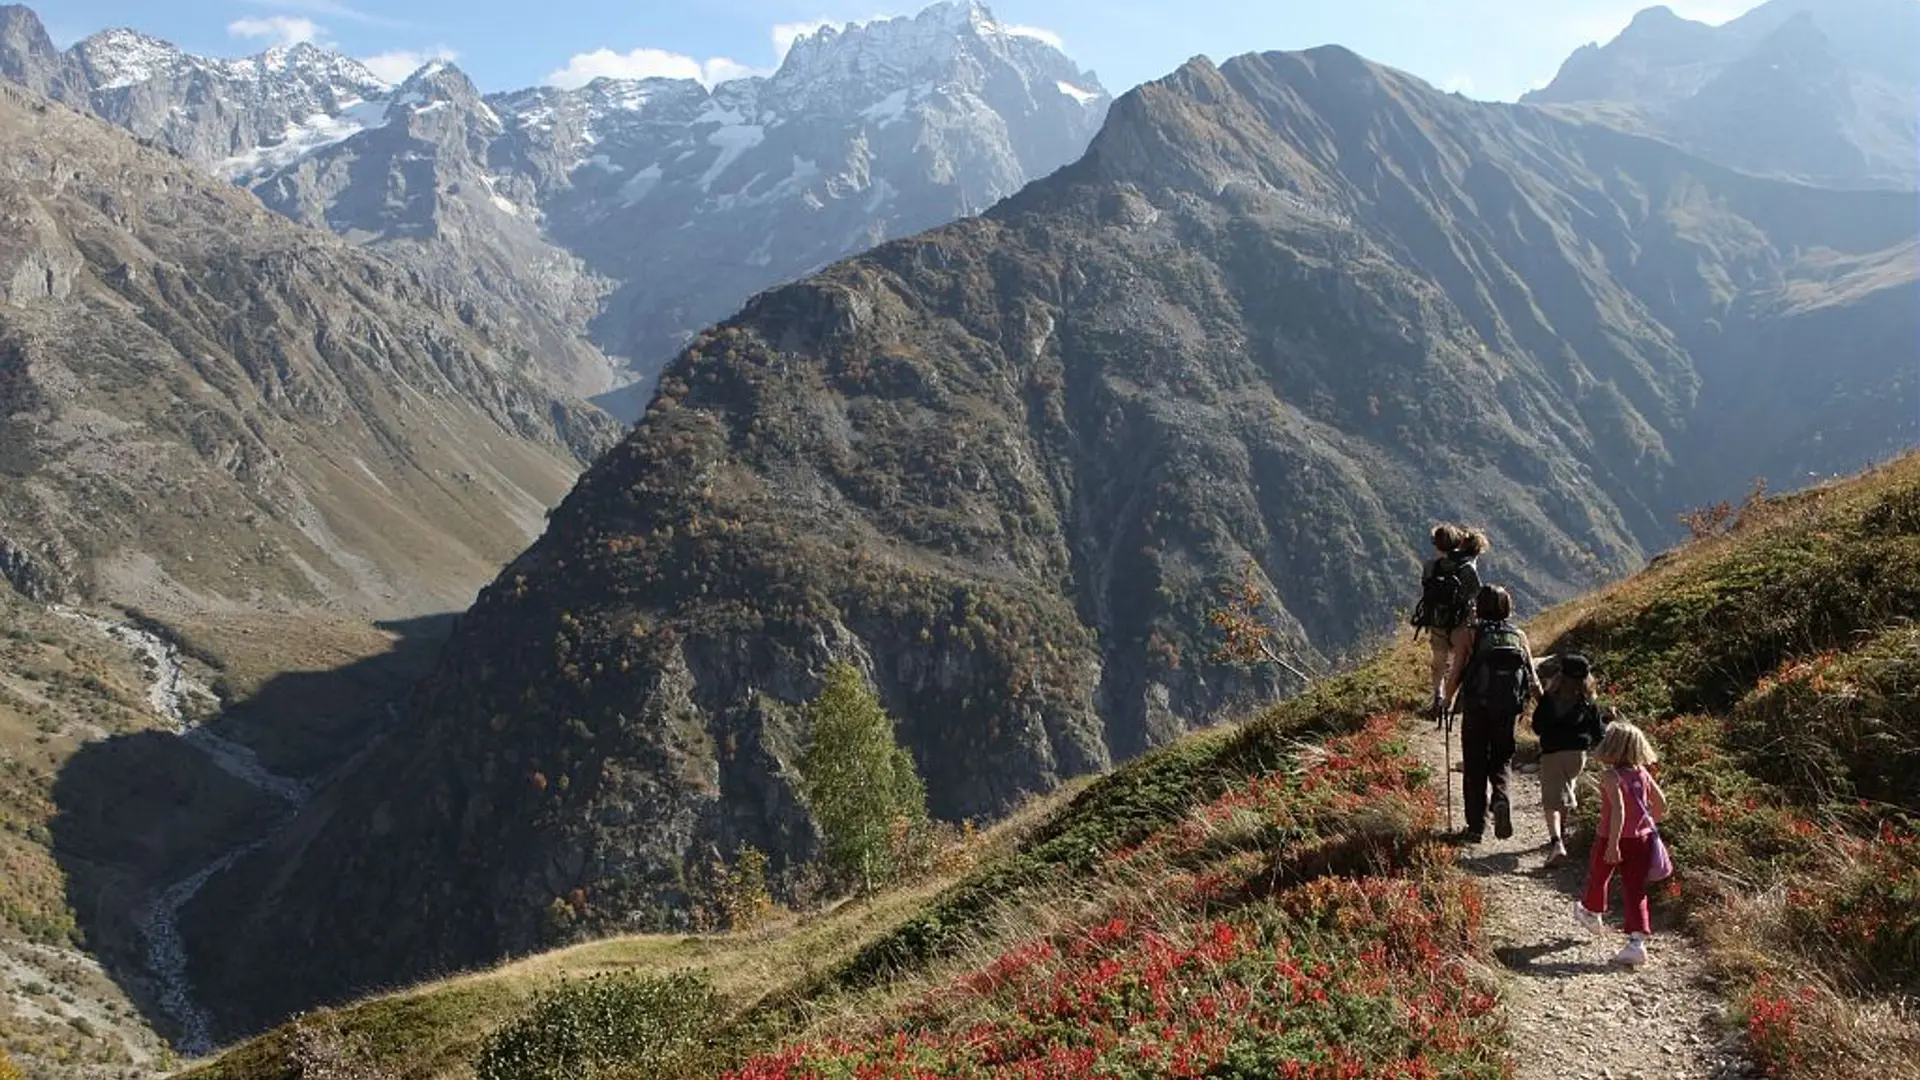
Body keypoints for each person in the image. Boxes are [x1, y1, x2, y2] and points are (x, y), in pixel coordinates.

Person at [1441, 584, 1538, 842]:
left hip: (1477, 708)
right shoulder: (1519, 635)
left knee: (1474, 764)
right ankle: (1501, 799)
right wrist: (1544, 706)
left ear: (1479, 606)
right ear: (1507, 607)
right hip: (1508, 711)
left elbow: (1456, 673)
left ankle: (1475, 828)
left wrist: (1446, 700)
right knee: (1501, 759)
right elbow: (1533, 678)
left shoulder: (1468, 635)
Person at [1572, 721, 1669, 967]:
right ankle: (1637, 943)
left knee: (1599, 874)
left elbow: (1619, 811)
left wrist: (1614, 843)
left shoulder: (1610, 776)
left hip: (1611, 837)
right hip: (1642, 839)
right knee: (1635, 889)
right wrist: (1644, 824)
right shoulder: (1643, 773)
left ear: (1612, 746)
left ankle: (1592, 912)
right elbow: (1661, 806)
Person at [1531, 653, 1611, 864]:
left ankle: (1556, 842)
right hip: (1578, 755)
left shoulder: (1550, 698)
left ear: (1561, 674)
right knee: (1565, 792)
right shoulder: (1587, 702)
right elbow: (1598, 733)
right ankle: (1562, 834)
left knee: (1551, 801)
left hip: (1553, 753)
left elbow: (1537, 727)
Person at [1412, 524, 1488, 721]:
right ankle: (1450, 701)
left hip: (1437, 620)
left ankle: (1437, 697)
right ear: (1457, 541)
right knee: (1458, 663)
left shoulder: (1430, 566)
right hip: (1460, 622)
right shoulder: (1466, 567)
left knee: (1438, 662)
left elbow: (1426, 589)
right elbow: (1476, 594)